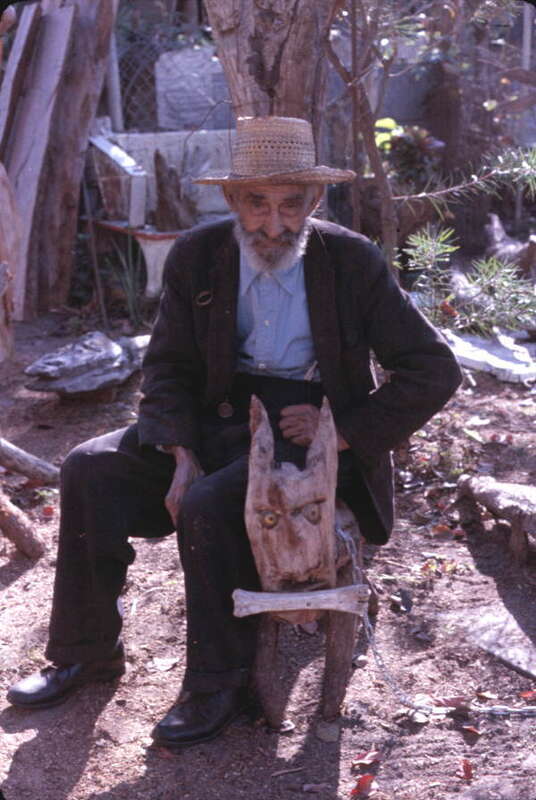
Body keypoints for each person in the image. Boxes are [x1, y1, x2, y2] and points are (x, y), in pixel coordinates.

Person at [7, 116, 462, 748]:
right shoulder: (199, 254)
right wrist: (176, 444)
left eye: (291, 205)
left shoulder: (351, 261)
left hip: (306, 435)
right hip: (210, 420)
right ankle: (86, 651)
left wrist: (344, 431)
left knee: (211, 505)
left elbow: (434, 369)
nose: (275, 225)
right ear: (231, 199)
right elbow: (165, 364)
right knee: (89, 465)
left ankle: (215, 681)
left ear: (314, 200)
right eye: (258, 204)